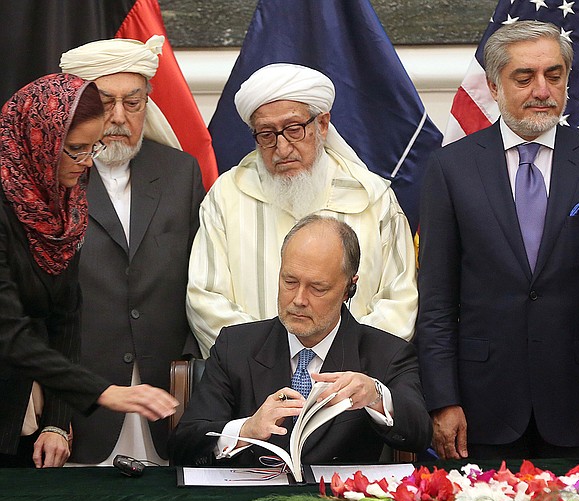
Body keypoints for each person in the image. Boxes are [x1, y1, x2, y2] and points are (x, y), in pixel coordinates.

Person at [417, 21, 579, 460]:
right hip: (480, 409)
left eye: (554, 76)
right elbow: (437, 302)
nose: (542, 90)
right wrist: (442, 400)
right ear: (495, 87)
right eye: (525, 77)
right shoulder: (450, 168)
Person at [0, 73, 178, 467]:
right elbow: (9, 333)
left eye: (91, 148)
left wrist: (57, 422)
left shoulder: (64, 206)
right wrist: (104, 392)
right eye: (76, 150)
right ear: (38, 142)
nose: (85, 165)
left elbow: (66, 317)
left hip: (19, 422)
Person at [185, 63, 417, 357]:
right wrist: (267, 365)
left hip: (351, 381)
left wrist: (336, 362)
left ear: (321, 124)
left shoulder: (373, 198)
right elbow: (205, 299)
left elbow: (399, 302)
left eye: (293, 130)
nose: (281, 149)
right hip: (251, 383)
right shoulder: (226, 195)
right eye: (266, 135)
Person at [170, 215, 431, 466]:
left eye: (317, 288)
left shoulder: (386, 354)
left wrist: (376, 396)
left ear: (349, 288)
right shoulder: (235, 346)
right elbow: (184, 445)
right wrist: (246, 430)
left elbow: (419, 434)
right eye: (289, 281)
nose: (299, 299)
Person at [59, 36, 205, 466]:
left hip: (169, 395)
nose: (119, 118)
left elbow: (200, 276)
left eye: (133, 103)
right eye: (105, 103)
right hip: (83, 401)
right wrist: (57, 410)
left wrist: (190, 377)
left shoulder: (181, 172)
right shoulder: (57, 178)